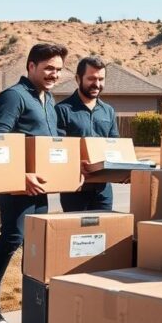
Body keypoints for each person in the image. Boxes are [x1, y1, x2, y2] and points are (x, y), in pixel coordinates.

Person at [0, 43, 67, 323]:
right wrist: (22, 174)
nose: (53, 74)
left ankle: (34, 303)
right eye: (48, 68)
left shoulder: (48, 99)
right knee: (12, 237)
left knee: (35, 245)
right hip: (17, 186)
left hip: (41, 188)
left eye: (58, 69)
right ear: (31, 66)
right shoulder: (13, 97)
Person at [56, 56, 117, 212]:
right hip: (75, 189)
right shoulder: (63, 110)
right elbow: (58, 150)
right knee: (77, 235)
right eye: (91, 78)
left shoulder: (108, 111)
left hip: (103, 190)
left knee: (105, 232)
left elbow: (115, 146)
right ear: (78, 78)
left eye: (101, 79)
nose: (97, 84)